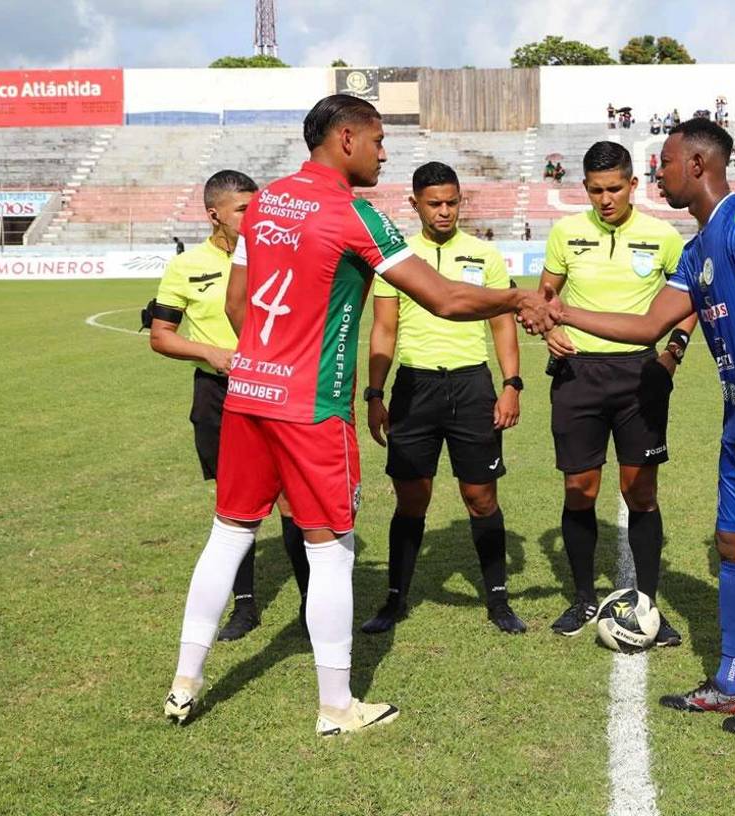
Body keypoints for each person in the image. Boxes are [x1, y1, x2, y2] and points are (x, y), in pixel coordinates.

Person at [161, 94, 551, 737]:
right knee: (333, 550)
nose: (383, 152)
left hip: (248, 395)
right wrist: (516, 296)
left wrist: (267, 356)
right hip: (311, 408)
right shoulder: (355, 216)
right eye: (377, 140)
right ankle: (338, 707)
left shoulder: (260, 207)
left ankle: (183, 684)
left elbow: (236, 304)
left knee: (228, 534)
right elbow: (449, 300)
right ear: (345, 138)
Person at [533, 117, 735, 740]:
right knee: (734, 544)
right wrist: (559, 310)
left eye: (664, 164)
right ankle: (731, 680)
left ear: (697, 165)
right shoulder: (697, 248)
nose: (656, 175)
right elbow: (647, 326)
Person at [538, 141, 697, 644]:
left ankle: (647, 603)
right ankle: (585, 598)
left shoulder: (663, 236)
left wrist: (675, 349)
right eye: (595, 190)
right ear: (584, 188)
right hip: (577, 373)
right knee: (579, 490)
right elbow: (545, 294)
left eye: (613, 189)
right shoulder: (566, 233)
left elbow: (688, 297)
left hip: (640, 376)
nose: (605, 199)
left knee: (639, 492)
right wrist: (547, 330)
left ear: (633, 185)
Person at [360, 162, 526, 637]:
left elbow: (502, 325)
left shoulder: (485, 255)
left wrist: (511, 384)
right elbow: (384, 329)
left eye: (452, 202)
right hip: (414, 389)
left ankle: (497, 600)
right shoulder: (397, 258)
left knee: (480, 496)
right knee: (412, 499)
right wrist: (375, 394)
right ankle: (394, 600)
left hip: (472, 387)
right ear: (414, 204)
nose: (445, 211)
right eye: (434, 203)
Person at [150, 170, 311, 643]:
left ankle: (308, 604)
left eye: (256, 207)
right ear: (214, 213)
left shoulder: (277, 254)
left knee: (290, 500)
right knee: (234, 506)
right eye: (243, 209)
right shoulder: (185, 267)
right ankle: (244, 609)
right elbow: (160, 337)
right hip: (217, 394)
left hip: (275, 389)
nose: (253, 216)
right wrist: (210, 353)